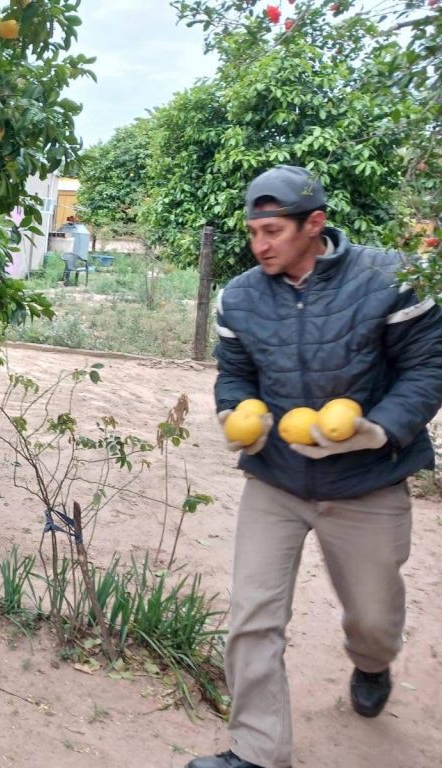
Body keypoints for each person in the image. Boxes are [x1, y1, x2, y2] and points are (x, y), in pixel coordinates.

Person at [189, 165, 442, 768]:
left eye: (272, 231)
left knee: (374, 617)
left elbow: (429, 367)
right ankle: (257, 750)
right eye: (253, 233)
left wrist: (375, 430)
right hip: (276, 479)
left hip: (367, 481)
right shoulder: (243, 296)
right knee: (252, 615)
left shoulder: (389, 279)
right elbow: (237, 374)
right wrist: (232, 415)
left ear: (316, 224)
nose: (260, 245)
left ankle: (373, 662)